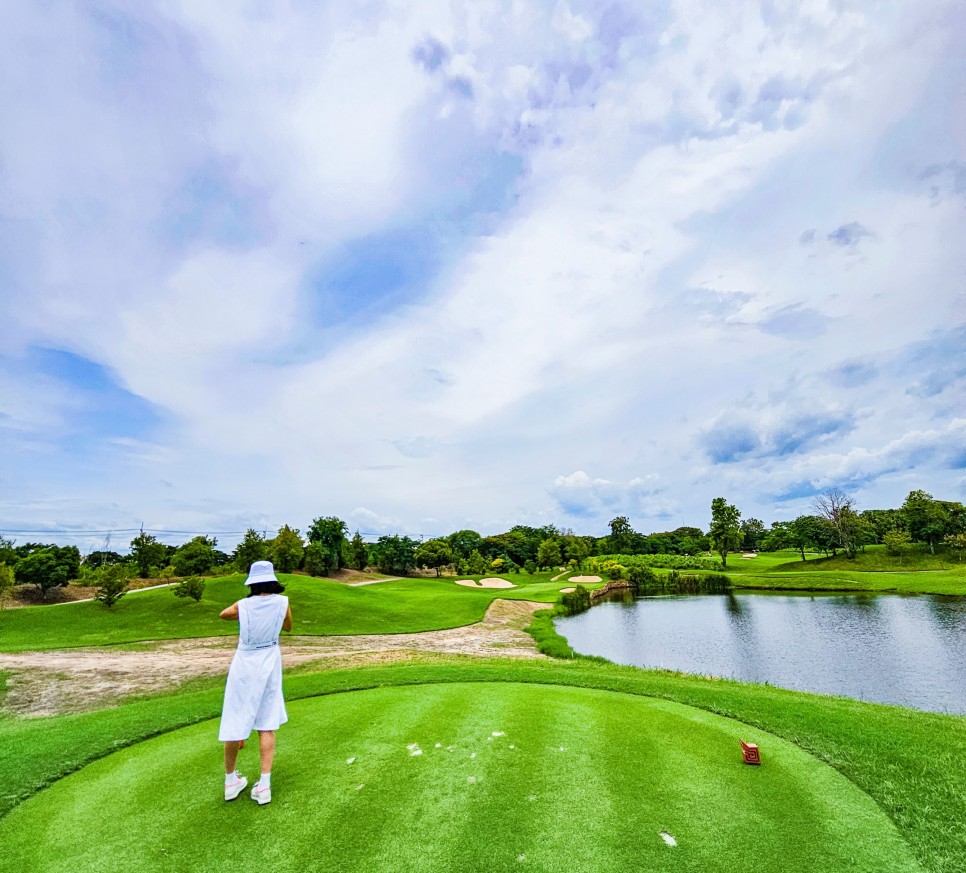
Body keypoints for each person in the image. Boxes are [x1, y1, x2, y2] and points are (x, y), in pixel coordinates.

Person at [218, 560, 293, 805]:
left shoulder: (243, 605)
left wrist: (245, 613)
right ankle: (264, 785)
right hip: (270, 660)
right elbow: (288, 626)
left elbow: (224, 615)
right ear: (273, 581)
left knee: (234, 718)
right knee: (266, 723)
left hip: (245, 660)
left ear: (252, 582)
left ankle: (231, 781)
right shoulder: (283, 602)